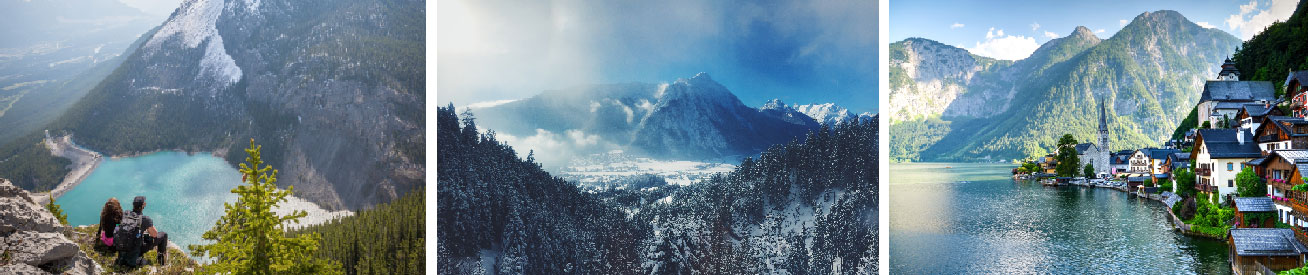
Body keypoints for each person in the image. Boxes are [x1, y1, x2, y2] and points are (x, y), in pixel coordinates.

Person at [115, 196, 169, 267]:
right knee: (164, 235)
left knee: (141, 237)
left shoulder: (125, 214)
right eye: (144, 203)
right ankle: (161, 261)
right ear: (143, 205)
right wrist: (149, 224)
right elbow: (154, 234)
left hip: (123, 249)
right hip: (136, 249)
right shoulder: (145, 219)